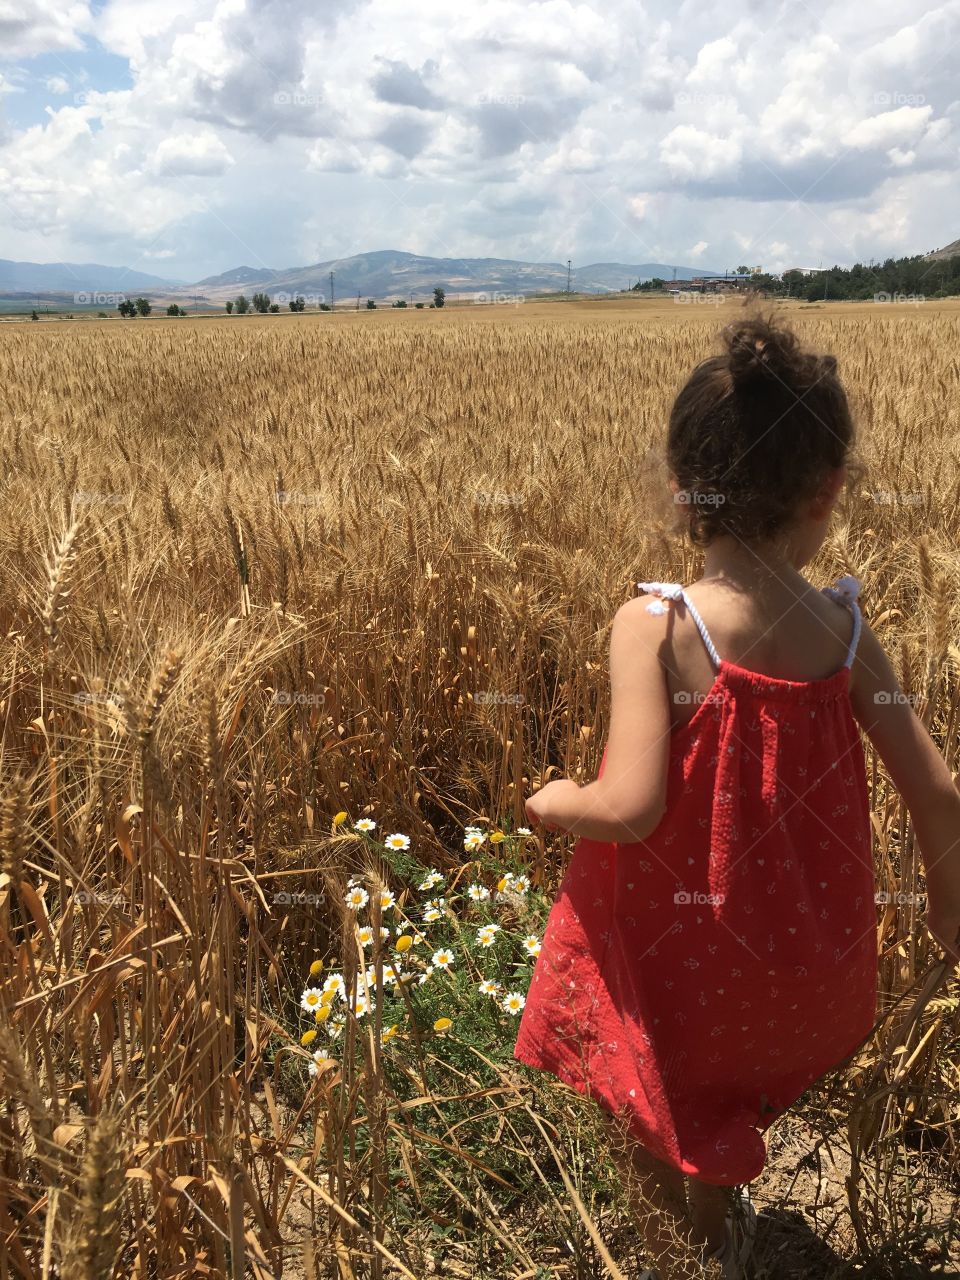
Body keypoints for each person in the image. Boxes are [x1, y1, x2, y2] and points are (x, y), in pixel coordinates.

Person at [513, 307, 960, 1279]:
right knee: (725, 1074)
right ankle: (723, 1220)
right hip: (808, 987)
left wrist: (556, 800)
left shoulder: (655, 626)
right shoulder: (846, 632)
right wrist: (947, 910)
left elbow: (628, 806)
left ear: (681, 491)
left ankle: (669, 1244)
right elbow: (938, 791)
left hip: (687, 984)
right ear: (828, 490)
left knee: (644, 1058)